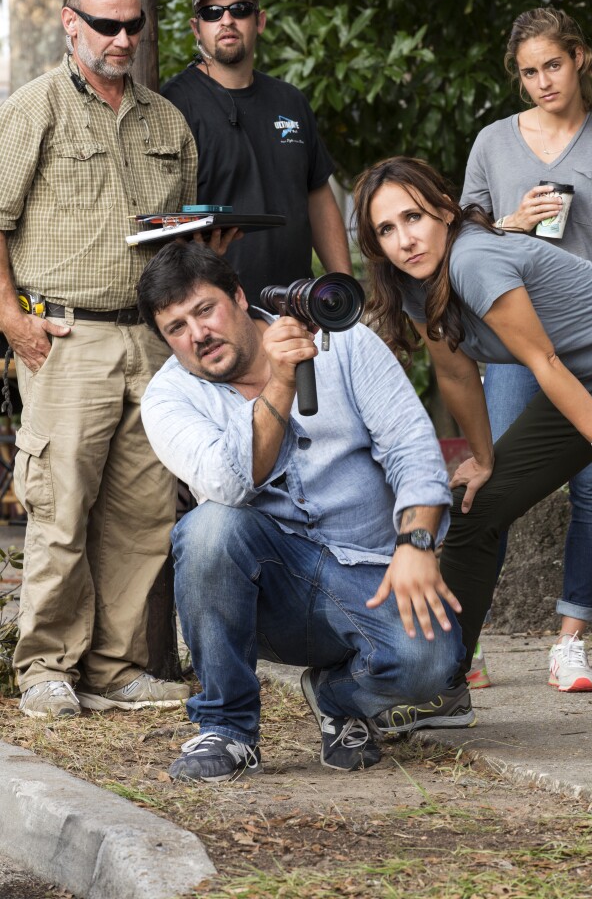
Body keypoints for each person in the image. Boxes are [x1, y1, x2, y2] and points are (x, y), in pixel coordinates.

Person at [354, 154, 592, 760]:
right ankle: (444, 685)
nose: (404, 240)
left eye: (413, 218)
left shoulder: (473, 258)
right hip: (588, 380)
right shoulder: (413, 284)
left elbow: (541, 361)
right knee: (476, 505)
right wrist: (482, 458)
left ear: (444, 210)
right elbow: (455, 372)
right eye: (386, 230)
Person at [137, 242, 467, 780]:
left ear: (238, 297)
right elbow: (229, 484)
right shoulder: (167, 397)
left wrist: (416, 544)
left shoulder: (345, 339)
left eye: (205, 310)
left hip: (368, 573)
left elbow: (413, 450)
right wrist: (281, 382)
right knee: (208, 528)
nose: (197, 334)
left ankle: (338, 697)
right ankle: (227, 729)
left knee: (432, 662)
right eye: (176, 328)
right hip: (265, 597)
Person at [0, 0, 198, 719]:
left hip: (150, 338)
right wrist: (12, 318)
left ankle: (115, 669)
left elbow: (179, 235)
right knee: (60, 508)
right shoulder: (34, 108)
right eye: (106, 24)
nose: (122, 38)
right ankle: (46, 668)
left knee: (144, 513)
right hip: (66, 336)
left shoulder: (166, 122)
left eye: (133, 24)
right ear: (70, 22)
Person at [460, 7, 592, 693]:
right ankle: (462, 643)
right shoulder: (494, 141)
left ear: (580, 58)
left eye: (553, 64)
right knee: (495, 485)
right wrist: (510, 221)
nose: (543, 81)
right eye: (529, 72)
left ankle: (570, 642)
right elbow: (458, 237)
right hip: (519, 344)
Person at [161, 0, 352, 306]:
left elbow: (318, 198)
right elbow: (162, 216)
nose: (226, 20)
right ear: (196, 28)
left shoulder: (291, 101)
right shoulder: (172, 105)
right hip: (218, 313)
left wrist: (345, 291)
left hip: (295, 307)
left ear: (259, 21)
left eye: (239, 9)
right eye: (212, 13)